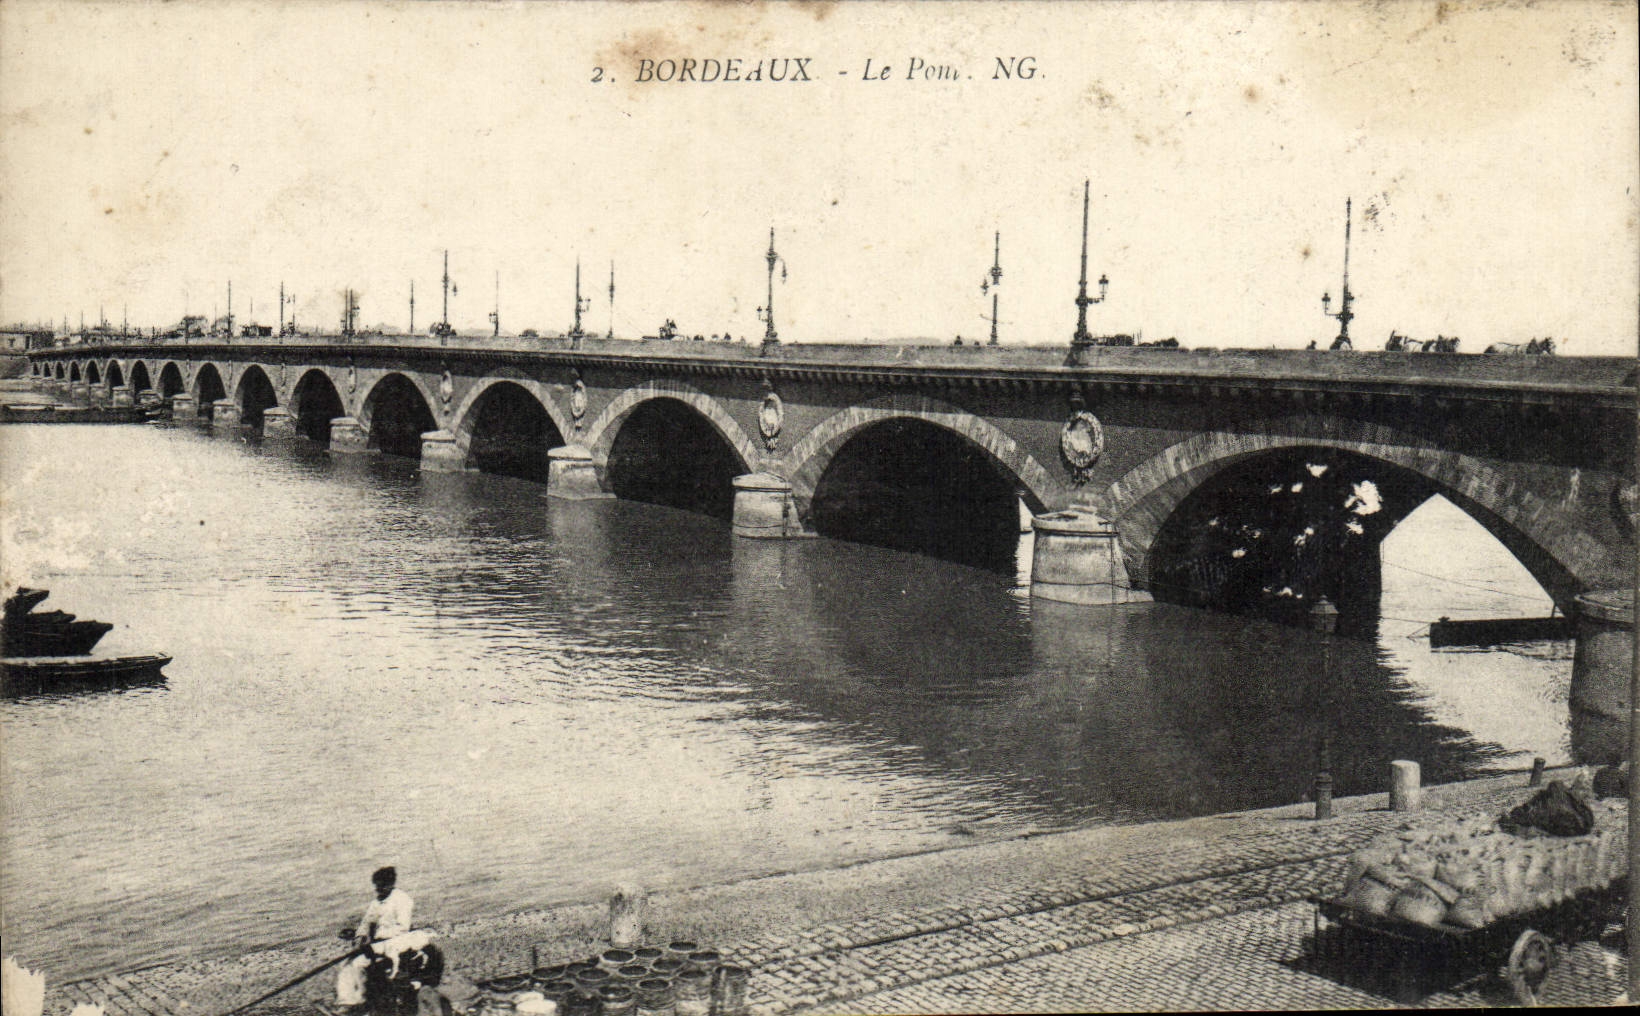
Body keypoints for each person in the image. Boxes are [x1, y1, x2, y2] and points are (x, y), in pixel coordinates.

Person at [337, 866, 415, 1010]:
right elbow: (366, 922)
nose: (378, 890)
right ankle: (346, 1001)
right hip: (377, 942)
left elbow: (403, 927)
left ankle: (360, 1001)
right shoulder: (376, 902)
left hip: (395, 942)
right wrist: (360, 935)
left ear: (391, 884)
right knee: (345, 964)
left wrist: (377, 936)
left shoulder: (402, 900)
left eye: (381, 886)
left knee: (358, 964)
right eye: (377, 886)